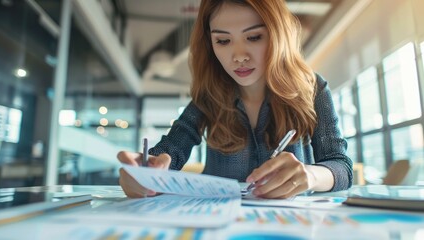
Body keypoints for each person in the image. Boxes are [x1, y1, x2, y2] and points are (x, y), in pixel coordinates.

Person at [117, 0, 353, 199]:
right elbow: (173, 148)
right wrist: (146, 173)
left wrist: (311, 175)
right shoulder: (209, 94)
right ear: (211, 44)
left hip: (289, 225)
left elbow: (340, 166)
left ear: (278, 36)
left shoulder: (312, 88)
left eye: (254, 37)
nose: (239, 56)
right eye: (223, 41)